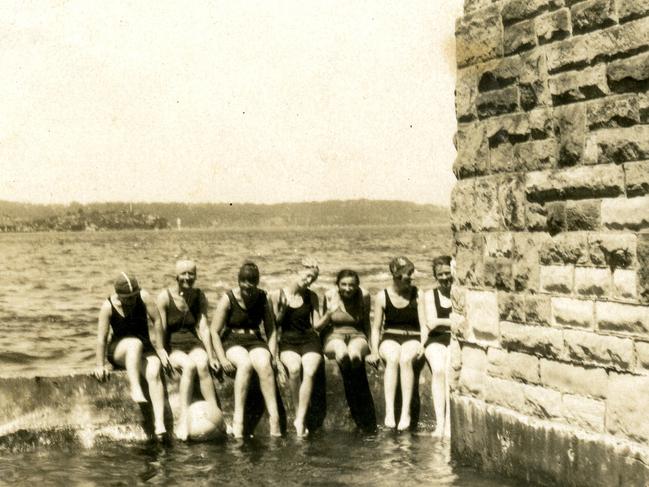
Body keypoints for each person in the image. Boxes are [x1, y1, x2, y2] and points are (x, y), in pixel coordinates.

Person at [94, 271, 171, 439]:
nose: (131, 300)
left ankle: (159, 424)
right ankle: (135, 388)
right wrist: (99, 365)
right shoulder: (108, 307)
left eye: (133, 296)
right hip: (119, 350)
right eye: (127, 298)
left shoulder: (144, 298)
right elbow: (101, 338)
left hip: (144, 348)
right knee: (134, 344)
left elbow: (157, 321)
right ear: (118, 295)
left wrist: (160, 348)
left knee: (154, 370)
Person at [211, 261, 283, 438]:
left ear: (257, 283)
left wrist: (273, 356)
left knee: (264, 364)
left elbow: (271, 330)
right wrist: (222, 359)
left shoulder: (262, 297)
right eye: (244, 282)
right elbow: (213, 331)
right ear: (239, 281)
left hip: (254, 339)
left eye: (252, 283)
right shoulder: (228, 299)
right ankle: (239, 419)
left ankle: (274, 419)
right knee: (245, 364)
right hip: (232, 339)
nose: (247, 287)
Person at [156, 259, 223, 441]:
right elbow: (160, 327)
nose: (187, 277)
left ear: (196, 275)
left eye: (191, 273)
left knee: (202, 364)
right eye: (184, 273)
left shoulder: (199, 296)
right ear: (176, 276)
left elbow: (203, 328)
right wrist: (161, 350)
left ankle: (215, 414)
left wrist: (212, 356)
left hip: (194, 344)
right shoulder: (164, 297)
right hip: (174, 347)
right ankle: (183, 418)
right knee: (189, 366)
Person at [366, 257, 426, 431]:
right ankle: (390, 412)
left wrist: (423, 344)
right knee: (392, 358)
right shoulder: (382, 296)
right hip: (390, 337)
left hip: (413, 337)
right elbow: (376, 328)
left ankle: (405, 413)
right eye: (409, 274)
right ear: (397, 275)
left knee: (405, 359)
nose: (412, 277)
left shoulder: (418, 293)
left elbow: (423, 325)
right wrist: (375, 351)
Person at [270, 258, 323, 437]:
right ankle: (298, 412)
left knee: (308, 370)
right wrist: (275, 358)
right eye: (308, 276)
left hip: (309, 340)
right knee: (293, 369)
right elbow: (273, 328)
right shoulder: (277, 295)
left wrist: (330, 313)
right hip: (288, 341)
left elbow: (316, 325)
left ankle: (299, 419)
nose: (309, 281)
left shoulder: (312, 296)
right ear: (296, 272)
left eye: (313, 279)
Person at [318, 269, 376, 432]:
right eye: (343, 284)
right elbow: (323, 326)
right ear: (337, 285)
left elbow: (366, 324)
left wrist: (372, 349)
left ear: (357, 285)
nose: (348, 288)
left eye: (352, 285)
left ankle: (358, 410)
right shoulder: (330, 295)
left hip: (357, 335)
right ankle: (358, 408)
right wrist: (321, 347)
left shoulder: (364, 296)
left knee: (355, 356)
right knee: (342, 354)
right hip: (334, 336)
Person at [423, 255, 453, 439]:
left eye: (447, 273)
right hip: (435, 340)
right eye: (440, 274)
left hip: (453, 339)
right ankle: (439, 424)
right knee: (439, 370)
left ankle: (449, 424)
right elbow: (432, 323)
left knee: (450, 372)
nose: (444, 277)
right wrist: (453, 321)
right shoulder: (430, 295)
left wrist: (444, 322)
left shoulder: (459, 293)